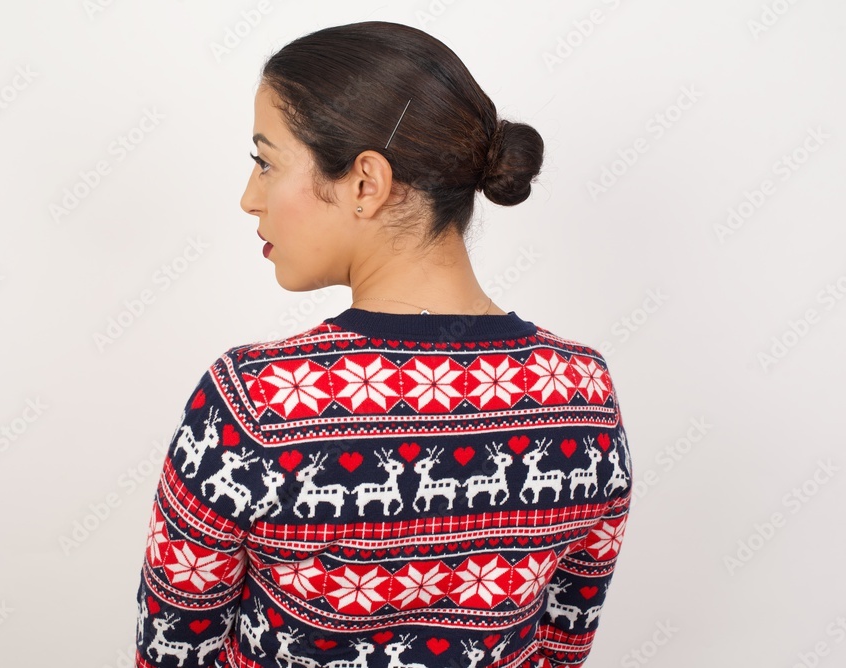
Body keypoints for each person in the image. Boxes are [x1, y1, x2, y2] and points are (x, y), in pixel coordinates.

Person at [133, 20, 632, 668]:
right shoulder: (582, 395)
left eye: (265, 161)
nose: (248, 198)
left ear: (365, 182)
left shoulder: (253, 406)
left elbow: (173, 652)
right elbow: (561, 647)